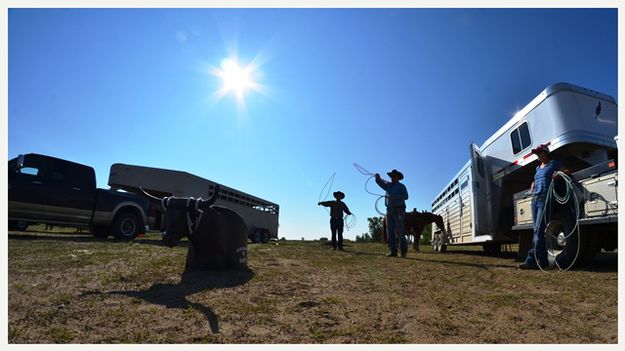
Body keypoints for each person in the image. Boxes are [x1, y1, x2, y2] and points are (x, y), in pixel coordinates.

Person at [518, 144, 568, 270]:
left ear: (546, 153)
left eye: (540, 153)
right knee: (537, 231)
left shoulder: (554, 164)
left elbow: (567, 171)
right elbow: (538, 178)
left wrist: (558, 174)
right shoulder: (537, 168)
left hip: (545, 200)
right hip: (535, 200)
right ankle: (544, 261)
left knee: (539, 232)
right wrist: (534, 182)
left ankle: (531, 261)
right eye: (537, 154)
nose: (538, 155)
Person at [375, 169, 409, 257]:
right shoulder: (388, 186)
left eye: (394, 176)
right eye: (392, 176)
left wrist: (394, 196)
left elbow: (406, 196)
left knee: (400, 231)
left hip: (399, 210)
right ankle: (393, 251)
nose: (392, 178)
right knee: (389, 231)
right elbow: (381, 184)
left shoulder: (402, 186)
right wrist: (377, 178)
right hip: (390, 210)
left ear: (398, 177)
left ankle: (403, 251)